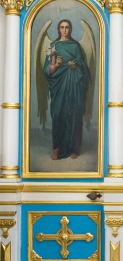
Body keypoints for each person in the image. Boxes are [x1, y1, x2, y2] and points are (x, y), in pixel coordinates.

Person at [43, 19, 91, 160]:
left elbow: (83, 66)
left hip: (74, 86)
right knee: (58, 114)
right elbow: (47, 69)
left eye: (67, 27)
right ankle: (57, 148)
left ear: (70, 29)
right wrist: (57, 66)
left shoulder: (75, 46)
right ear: (58, 29)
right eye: (62, 27)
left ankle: (74, 148)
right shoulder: (53, 46)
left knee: (74, 114)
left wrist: (75, 64)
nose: (65, 30)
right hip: (59, 87)